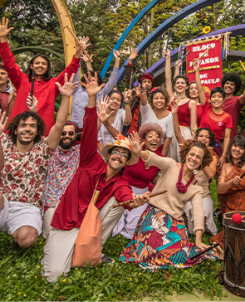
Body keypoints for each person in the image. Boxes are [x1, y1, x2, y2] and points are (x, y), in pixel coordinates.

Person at [41, 72, 151, 283]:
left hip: (92, 223)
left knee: (117, 204)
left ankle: (95, 248)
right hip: (68, 222)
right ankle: (66, 247)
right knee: (55, 276)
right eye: (116, 152)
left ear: (126, 160)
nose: (119, 156)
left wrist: (132, 201)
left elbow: (124, 196)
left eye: (124, 154)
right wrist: (92, 99)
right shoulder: (90, 161)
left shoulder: (120, 181)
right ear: (108, 155)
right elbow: (90, 131)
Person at [0, 73, 78, 248]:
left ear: (38, 131)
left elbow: (59, 125)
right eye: (23, 125)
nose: (27, 129)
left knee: (27, 239)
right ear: (15, 128)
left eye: (32, 126)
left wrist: (66, 97)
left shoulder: (43, 148)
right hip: (2, 201)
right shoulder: (4, 142)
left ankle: (15, 232)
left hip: (28, 207)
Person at [120, 139, 219, 271]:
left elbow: (198, 213)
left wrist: (199, 240)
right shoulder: (171, 165)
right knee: (152, 252)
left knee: (181, 253)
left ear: (202, 162)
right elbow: (155, 159)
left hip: (174, 223)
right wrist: (141, 153)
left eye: (198, 157)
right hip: (153, 217)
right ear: (185, 155)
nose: (194, 158)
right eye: (192, 154)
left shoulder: (197, 187)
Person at [0, 17, 87, 134]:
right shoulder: (21, 79)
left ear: (47, 67)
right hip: (18, 131)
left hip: (42, 133)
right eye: (37, 63)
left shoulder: (53, 84)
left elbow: (68, 71)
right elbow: (9, 64)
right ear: (31, 66)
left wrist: (77, 55)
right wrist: (3, 40)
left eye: (43, 64)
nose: (40, 65)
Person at [171, 100, 218, 235]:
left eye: (206, 137)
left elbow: (210, 175)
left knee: (202, 216)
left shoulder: (213, 157)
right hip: (186, 193)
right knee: (188, 217)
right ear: (196, 137)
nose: (203, 138)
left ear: (210, 141)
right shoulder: (188, 149)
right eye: (200, 136)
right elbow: (178, 133)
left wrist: (200, 157)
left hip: (203, 194)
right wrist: (174, 114)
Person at [112, 122, 164, 239]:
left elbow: (154, 178)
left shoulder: (160, 158)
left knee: (134, 229)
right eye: (150, 136)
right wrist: (105, 122)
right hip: (124, 189)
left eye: (157, 136)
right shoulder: (135, 152)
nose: (154, 138)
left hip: (142, 194)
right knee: (113, 223)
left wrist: (162, 177)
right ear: (144, 140)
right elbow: (119, 138)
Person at [211, 136, 245, 244]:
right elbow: (220, 190)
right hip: (231, 208)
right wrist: (230, 182)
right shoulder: (225, 166)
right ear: (230, 147)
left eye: (241, 148)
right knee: (228, 240)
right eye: (235, 146)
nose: (237, 149)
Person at [42, 121, 80, 239]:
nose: (67, 136)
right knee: (49, 234)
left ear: (75, 135)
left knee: (72, 233)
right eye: (63, 133)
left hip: (71, 202)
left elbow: (91, 135)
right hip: (52, 201)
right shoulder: (49, 151)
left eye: (70, 133)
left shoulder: (79, 152)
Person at [70, 50, 122, 129]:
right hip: (73, 128)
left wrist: (117, 61)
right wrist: (78, 56)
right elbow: (75, 73)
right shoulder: (77, 90)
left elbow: (112, 81)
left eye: (95, 81)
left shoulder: (100, 94)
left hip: (90, 128)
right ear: (85, 82)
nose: (92, 82)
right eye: (90, 80)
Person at [164, 49, 197, 161]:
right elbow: (168, 78)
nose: (179, 84)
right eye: (177, 83)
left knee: (183, 161)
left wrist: (192, 140)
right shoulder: (172, 99)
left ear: (187, 86)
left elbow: (193, 125)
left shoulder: (191, 102)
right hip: (170, 133)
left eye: (182, 83)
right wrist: (168, 58)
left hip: (184, 134)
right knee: (171, 163)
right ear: (174, 86)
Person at [221, 48, 245, 139]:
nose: (229, 86)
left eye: (232, 84)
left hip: (230, 138)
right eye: (227, 83)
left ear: (235, 88)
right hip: (215, 138)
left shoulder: (236, 101)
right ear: (223, 85)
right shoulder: (216, 100)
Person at [199, 87, 233, 166]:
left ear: (224, 100)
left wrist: (223, 156)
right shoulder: (206, 107)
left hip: (215, 147)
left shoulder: (227, 117)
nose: (216, 99)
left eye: (219, 96)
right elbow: (200, 89)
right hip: (200, 143)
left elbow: (227, 137)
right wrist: (197, 73)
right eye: (214, 96)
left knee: (216, 169)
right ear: (210, 99)